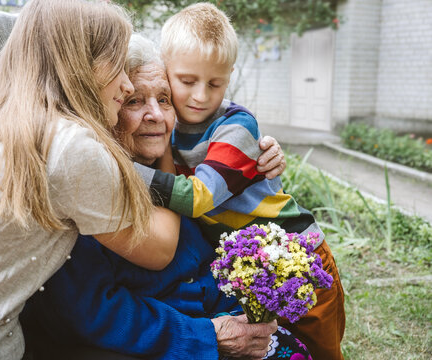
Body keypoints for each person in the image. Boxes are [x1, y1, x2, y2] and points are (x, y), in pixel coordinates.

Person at [0, 1, 182, 359]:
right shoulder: (69, 146)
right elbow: (159, 250)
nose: (124, 84)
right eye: (115, 63)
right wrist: (172, 156)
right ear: (77, 61)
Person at [20, 34, 312, 360]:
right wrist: (207, 336)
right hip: (184, 342)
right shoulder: (83, 188)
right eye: (133, 101)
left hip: (233, 319)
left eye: (164, 99)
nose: (156, 116)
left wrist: (258, 147)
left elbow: (224, 127)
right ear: (104, 108)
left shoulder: (183, 164)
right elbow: (92, 313)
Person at [130, 3, 345, 359]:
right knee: (278, 347)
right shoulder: (170, 123)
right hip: (252, 265)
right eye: (186, 81)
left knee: (321, 350)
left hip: (299, 257)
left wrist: (116, 169)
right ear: (165, 67)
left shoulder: (236, 127)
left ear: (230, 75)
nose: (200, 95)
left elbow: (198, 198)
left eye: (215, 83)